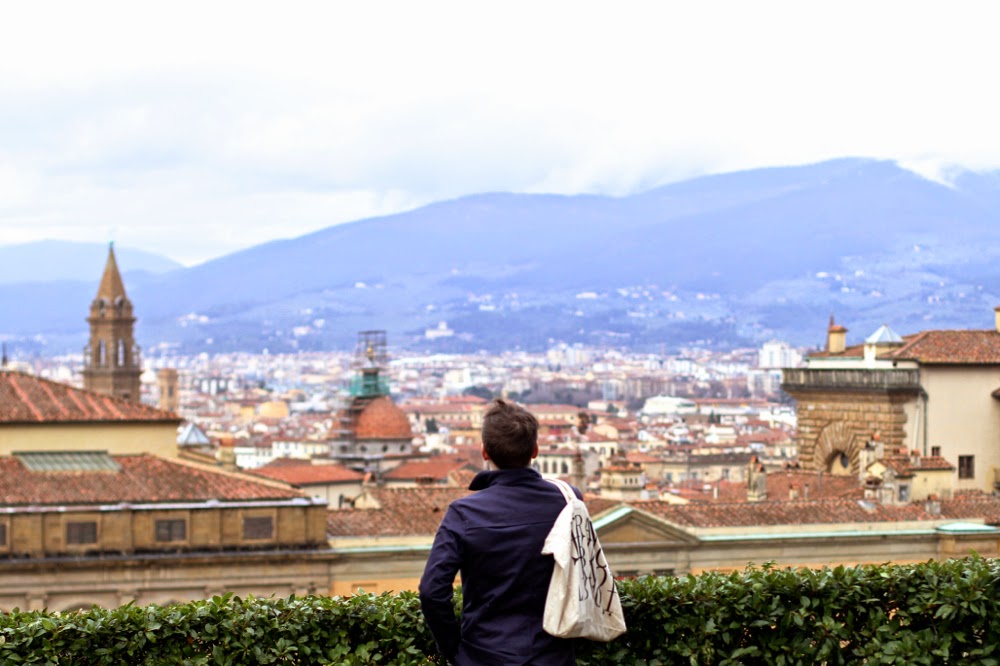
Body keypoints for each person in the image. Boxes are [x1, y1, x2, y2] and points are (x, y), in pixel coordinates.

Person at [419, 398, 580, 665]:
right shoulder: (568, 499)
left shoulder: (464, 513)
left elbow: (431, 591)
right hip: (553, 655)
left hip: (483, 654)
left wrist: (455, 651)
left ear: (485, 452)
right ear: (535, 450)